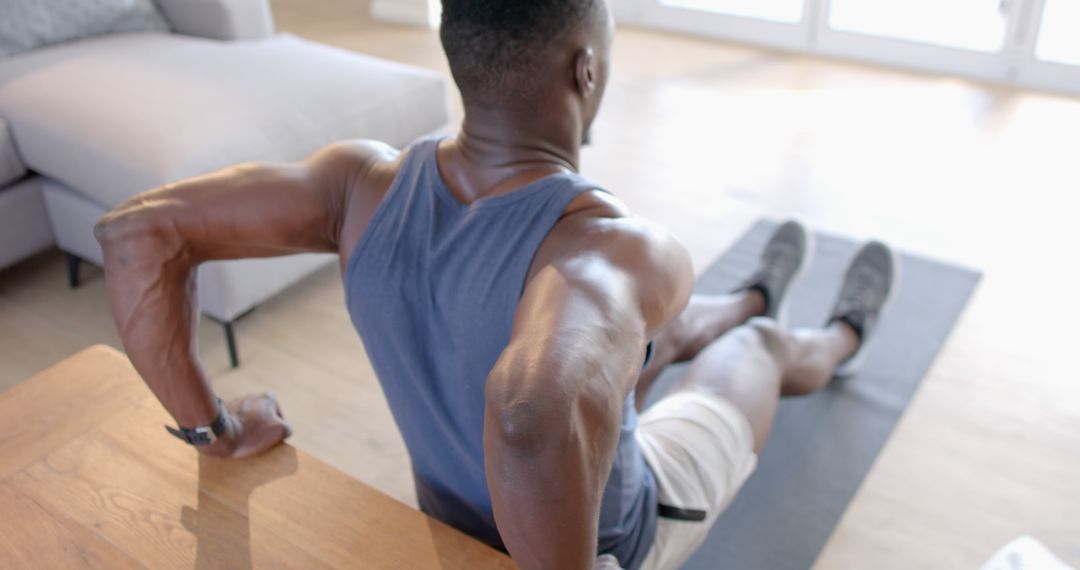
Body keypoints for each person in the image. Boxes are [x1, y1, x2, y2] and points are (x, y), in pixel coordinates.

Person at [93, 1, 897, 569]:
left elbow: (138, 236)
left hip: (458, 504)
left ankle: (744, 298)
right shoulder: (615, 251)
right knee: (753, 353)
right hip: (612, 538)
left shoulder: (355, 185)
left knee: (622, 341)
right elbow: (530, 415)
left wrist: (215, 430)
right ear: (585, 68)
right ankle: (835, 334)